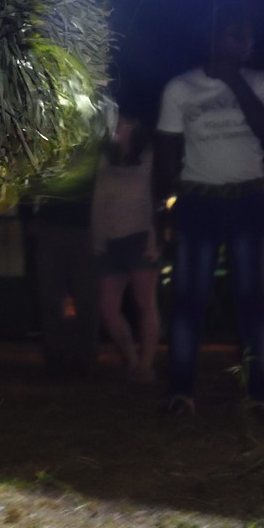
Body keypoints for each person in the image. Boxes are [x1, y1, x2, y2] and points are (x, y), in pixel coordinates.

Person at [155, 18, 264, 415]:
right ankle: (181, 393)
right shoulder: (180, 87)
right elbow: (165, 154)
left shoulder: (263, 82)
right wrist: (164, 210)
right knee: (189, 299)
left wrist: (235, 80)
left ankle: (257, 395)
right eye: (234, 33)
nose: (243, 42)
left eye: (248, 36)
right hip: (199, 202)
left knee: (253, 300)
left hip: (249, 200)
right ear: (213, 38)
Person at [91, 113, 160, 382]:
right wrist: (98, 239)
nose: (115, 128)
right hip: (111, 240)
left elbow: (154, 200)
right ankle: (130, 358)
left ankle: (146, 364)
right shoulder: (106, 159)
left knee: (145, 302)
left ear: (133, 126)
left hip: (140, 237)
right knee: (108, 308)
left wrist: (154, 239)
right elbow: (98, 201)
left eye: (120, 122)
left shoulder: (149, 158)